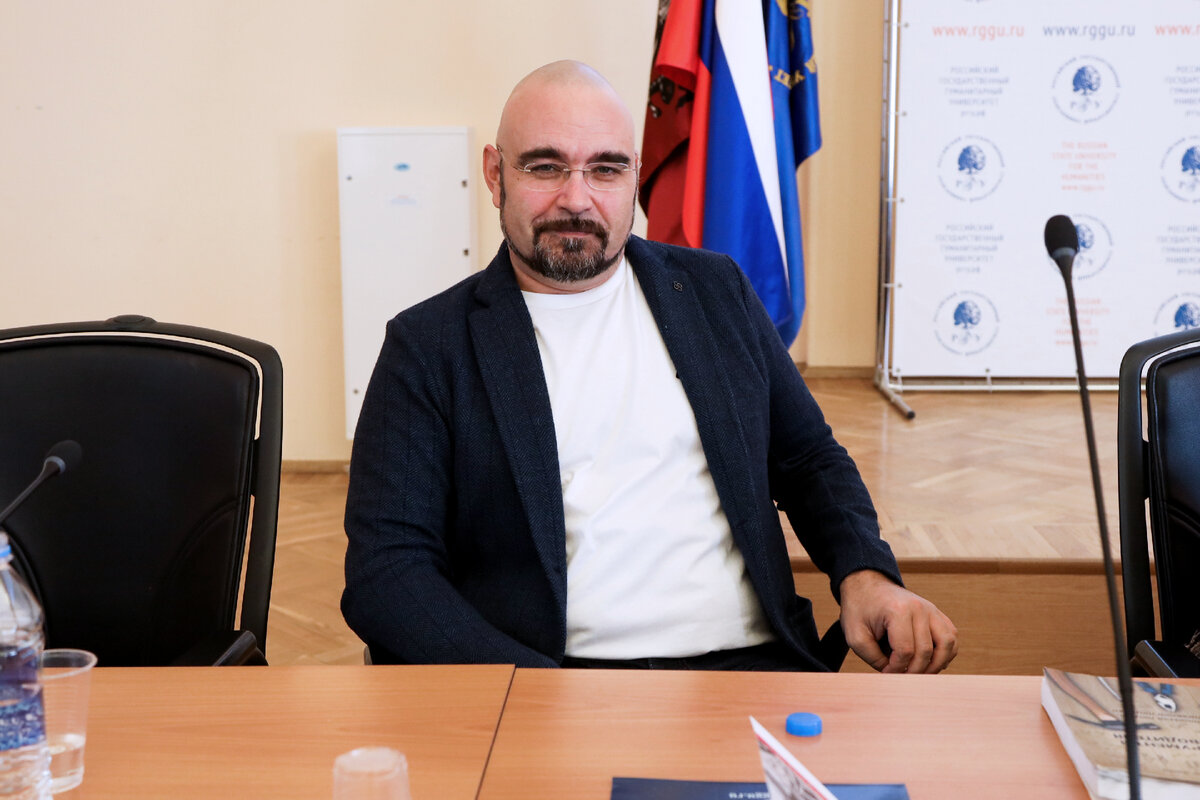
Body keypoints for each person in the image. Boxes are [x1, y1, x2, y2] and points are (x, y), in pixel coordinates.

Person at [342, 60, 957, 673]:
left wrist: (866, 575)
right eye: (545, 167)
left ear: (636, 174)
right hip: (556, 680)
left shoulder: (716, 293)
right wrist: (532, 695)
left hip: (755, 669)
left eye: (606, 169)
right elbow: (387, 572)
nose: (576, 198)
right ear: (494, 174)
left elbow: (808, 459)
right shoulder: (428, 346)